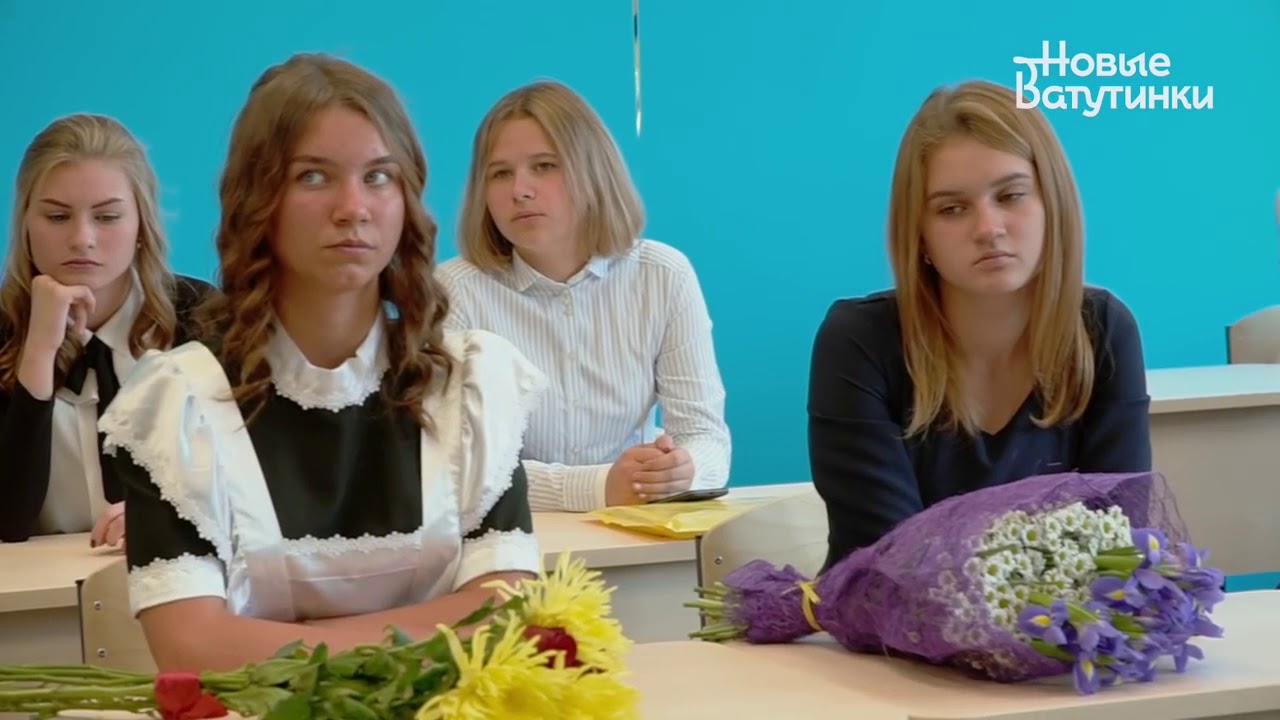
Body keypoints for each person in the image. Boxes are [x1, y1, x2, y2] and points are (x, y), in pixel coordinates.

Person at [98, 54, 547, 672]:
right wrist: (432, 629)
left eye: (379, 176)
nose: (353, 207)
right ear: (257, 198)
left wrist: (281, 639)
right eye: (313, 177)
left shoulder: (467, 387)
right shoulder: (180, 407)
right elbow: (190, 648)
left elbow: (508, 613)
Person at [807, 79, 1152, 572]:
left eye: (1011, 196)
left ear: (1052, 204)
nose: (988, 229)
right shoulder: (858, 342)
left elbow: (1115, 547)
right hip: (891, 619)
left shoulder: (1104, 331)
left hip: (1064, 620)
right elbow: (891, 563)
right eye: (952, 209)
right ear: (920, 235)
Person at [436, 79, 731, 512]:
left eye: (544, 166)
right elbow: (454, 466)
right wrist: (597, 487)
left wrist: (683, 470)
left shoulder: (663, 275)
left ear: (594, 173)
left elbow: (706, 437)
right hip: (505, 537)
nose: (520, 189)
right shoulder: (454, 291)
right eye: (500, 173)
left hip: (636, 527)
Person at [0, 113, 212, 545]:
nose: (82, 238)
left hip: (174, 568)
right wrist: (38, 351)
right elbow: (8, 520)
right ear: (25, 224)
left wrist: (165, 515)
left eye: (107, 217)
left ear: (141, 225)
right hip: (31, 583)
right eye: (57, 216)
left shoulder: (200, 316)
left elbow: (251, 486)